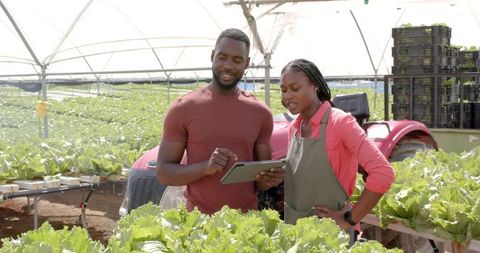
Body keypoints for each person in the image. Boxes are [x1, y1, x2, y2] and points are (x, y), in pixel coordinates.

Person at [156, 28, 284, 215]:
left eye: (237, 60)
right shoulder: (183, 108)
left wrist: (270, 179)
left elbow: (261, 180)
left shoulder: (260, 112)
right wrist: (206, 168)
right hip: (199, 222)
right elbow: (164, 173)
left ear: (246, 63)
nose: (228, 66)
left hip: (246, 221)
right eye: (222, 57)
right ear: (212, 56)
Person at [279, 59, 394, 240]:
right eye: (284, 90)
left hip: (331, 236)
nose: (287, 96)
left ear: (315, 86)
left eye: (295, 88)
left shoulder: (340, 122)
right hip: (296, 232)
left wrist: (349, 218)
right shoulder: (294, 127)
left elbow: (383, 173)